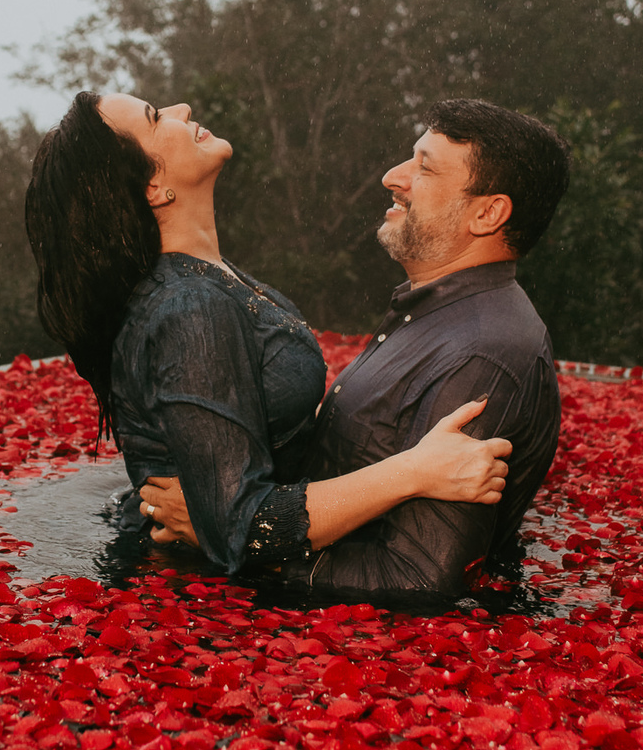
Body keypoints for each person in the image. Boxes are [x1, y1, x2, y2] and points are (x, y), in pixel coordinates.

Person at [24, 92, 513, 576]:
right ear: (153, 185)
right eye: (156, 118)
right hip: (191, 596)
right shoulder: (189, 306)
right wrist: (415, 472)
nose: (182, 110)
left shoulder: (212, 276)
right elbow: (242, 527)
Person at [144, 98, 570, 600]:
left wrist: (231, 543)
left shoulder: (481, 353)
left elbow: (418, 575)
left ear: (488, 213)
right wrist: (231, 508)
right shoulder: (436, 311)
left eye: (424, 167)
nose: (393, 176)